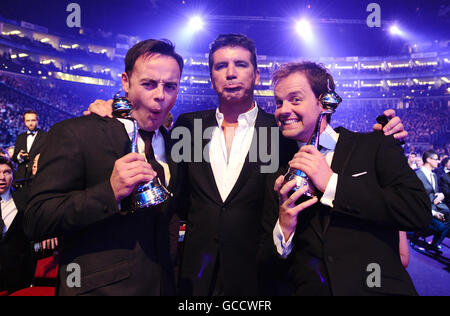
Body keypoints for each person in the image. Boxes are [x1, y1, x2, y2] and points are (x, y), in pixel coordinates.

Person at [87, 34, 408, 296]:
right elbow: (170, 185)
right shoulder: (188, 126)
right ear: (211, 75)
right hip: (194, 280)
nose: (230, 73)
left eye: (240, 64)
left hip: (261, 277)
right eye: (220, 66)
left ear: (255, 75)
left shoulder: (281, 131)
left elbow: (329, 145)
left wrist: (381, 138)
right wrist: (115, 112)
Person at [24, 39, 184, 296]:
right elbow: (36, 218)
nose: (160, 95)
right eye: (149, 83)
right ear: (125, 83)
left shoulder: (175, 144)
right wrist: (109, 192)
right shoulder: (75, 133)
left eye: (171, 86)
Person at [261, 61, 431, 296]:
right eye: (279, 102)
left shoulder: (375, 145)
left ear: (324, 102)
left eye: (295, 99)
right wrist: (284, 229)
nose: (282, 110)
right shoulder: (277, 170)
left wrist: (332, 184)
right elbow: (270, 261)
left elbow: (417, 212)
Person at [0, 156, 34, 293]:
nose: (1, 177)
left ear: (13, 175)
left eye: (6, 172)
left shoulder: (24, 199)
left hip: (18, 274)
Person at [415, 150, 450, 250]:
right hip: (422, 207)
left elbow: (435, 192)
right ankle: (416, 236)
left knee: (448, 215)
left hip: (434, 205)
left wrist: (440, 195)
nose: (438, 161)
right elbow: (417, 197)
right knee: (440, 227)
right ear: (428, 160)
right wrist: (433, 212)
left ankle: (434, 243)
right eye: (436, 159)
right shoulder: (418, 175)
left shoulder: (434, 175)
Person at [12, 110, 47, 186]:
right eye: (28, 120)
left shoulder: (46, 136)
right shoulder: (20, 137)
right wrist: (19, 156)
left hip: (37, 177)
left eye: (33, 120)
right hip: (21, 178)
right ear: (24, 122)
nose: (30, 123)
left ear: (38, 121)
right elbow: (14, 157)